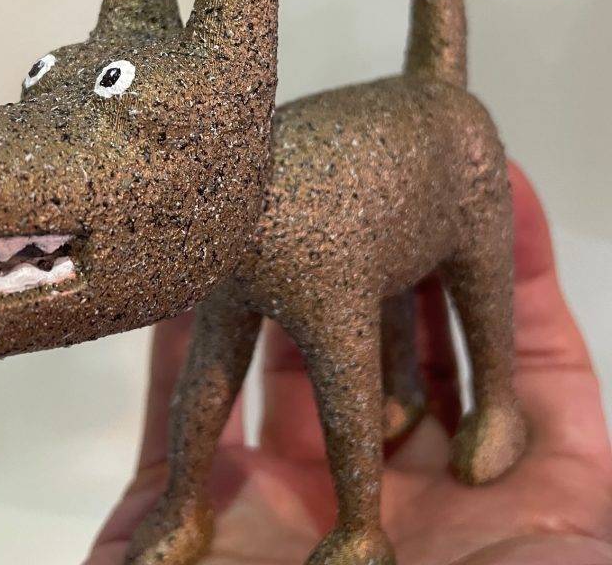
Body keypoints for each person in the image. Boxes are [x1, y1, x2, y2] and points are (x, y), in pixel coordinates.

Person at [86, 163, 612, 565]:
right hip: (267, 224)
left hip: (333, 222)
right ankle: (185, 504)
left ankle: (374, 516)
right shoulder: (218, 226)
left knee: (358, 350)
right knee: (217, 354)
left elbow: (349, 367)